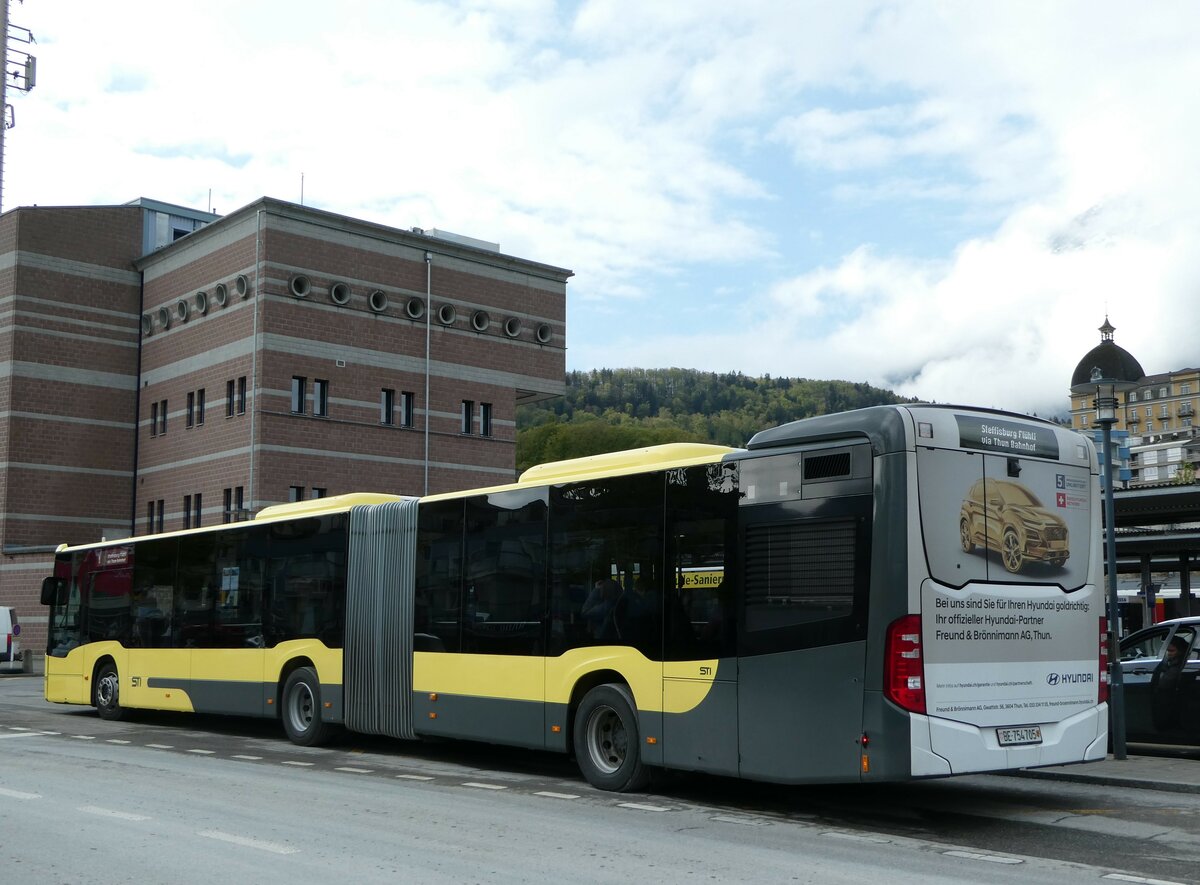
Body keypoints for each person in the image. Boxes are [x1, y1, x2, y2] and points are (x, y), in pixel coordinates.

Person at [1151, 634, 1189, 733]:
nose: (1169, 653)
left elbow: (1164, 684)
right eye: (1168, 651)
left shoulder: (1178, 665)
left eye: (1172, 651)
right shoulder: (1171, 663)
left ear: (1180, 651)